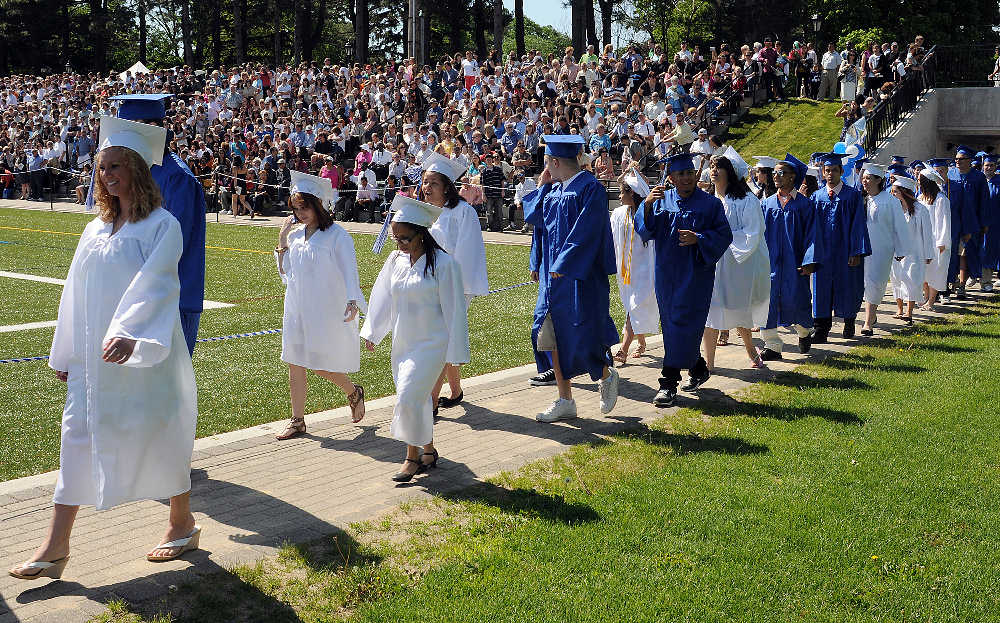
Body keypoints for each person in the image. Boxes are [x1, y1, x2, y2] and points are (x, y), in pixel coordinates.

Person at [9, 117, 200, 582]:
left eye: (116, 165)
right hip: (94, 360)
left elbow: (156, 285)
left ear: (136, 168)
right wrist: (66, 352)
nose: (107, 175)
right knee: (76, 435)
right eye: (101, 168)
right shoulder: (95, 230)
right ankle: (55, 546)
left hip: (144, 356)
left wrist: (132, 332)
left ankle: (182, 522)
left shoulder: (162, 226)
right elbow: (74, 291)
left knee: (161, 432)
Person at [360, 194, 470, 482]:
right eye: (396, 238)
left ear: (422, 234)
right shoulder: (396, 260)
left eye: (405, 239)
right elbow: (382, 295)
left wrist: (455, 351)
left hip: (432, 343)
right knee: (418, 399)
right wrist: (373, 331)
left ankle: (411, 457)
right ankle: (429, 451)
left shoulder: (444, 265)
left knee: (408, 396)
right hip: (403, 341)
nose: (400, 244)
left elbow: (455, 310)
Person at [522, 135, 621, 422]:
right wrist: (537, 261)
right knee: (548, 334)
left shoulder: (590, 189)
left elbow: (587, 232)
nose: (547, 169)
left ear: (554, 161)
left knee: (580, 333)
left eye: (547, 164)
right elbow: (537, 222)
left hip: (580, 277)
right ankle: (565, 400)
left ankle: (605, 374)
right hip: (551, 278)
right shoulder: (553, 190)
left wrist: (564, 262)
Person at [105, 94, 206, 355]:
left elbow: (170, 248)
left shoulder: (176, 178)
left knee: (165, 387)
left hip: (170, 298)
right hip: (129, 293)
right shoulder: (134, 172)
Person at [273, 171, 367, 440]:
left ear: (318, 204)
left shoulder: (337, 236)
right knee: (294, 361)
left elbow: (351, 271)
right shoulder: (295, 236)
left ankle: (352, 390)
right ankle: (298, 420)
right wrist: (282, 242)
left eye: (306, 207)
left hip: (324, 307)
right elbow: (285, 273)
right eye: (297, 208)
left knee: (317, 363)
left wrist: (353, 300)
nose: (301, 213)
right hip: (296, 307)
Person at [636, 152, 733, 406]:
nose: (687, 177)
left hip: (696, 276)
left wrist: (699, 238)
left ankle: (668, 383)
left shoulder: (710, 204)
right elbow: (646, 231)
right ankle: (698, 367)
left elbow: (724, 236)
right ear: (671, 178)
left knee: (684, 323)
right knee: (672, 325)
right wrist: (646, 205)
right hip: (667, 275)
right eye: (681, 174)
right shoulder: (659, 200)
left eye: (690, 173)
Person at [419, 151, 489, 412]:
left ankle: (430, 401)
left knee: (441, 341)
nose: (427, 187)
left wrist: (456, 290)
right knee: (444, 340)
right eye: (425, 181)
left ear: (447, 187)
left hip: (454, 286)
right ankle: (456, 391)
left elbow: (467, 254)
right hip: (426, 286)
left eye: (433, 183)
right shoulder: (423, 212)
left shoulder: (463, 212)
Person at [703, 154, 771, 370]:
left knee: (736, 308)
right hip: (711, 262)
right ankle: (709, 363)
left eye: (719, 167)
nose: (713, 170)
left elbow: (754, 232)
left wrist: (722, 239)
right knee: (710, 310)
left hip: (736, 264)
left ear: (730, 172)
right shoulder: (708, 201)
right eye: (712, 166)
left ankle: (750, 349)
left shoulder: (745, 200)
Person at [758, 158, 820, 360]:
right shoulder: (767, 204)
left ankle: (804, 332)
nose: (775, 176)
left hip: (796, 264)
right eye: (774, 173)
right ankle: (772, 345)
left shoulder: (805, 205)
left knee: (798, 300)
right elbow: (759, 236)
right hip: (770, 264)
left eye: (781, 173)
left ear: (793, 176)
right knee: (767, 302)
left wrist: (809, 261)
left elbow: (813, 235)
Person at [810, 152, 871, 342]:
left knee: (848, 286)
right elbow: (811, 227)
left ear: (841, 172)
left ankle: (849, 321)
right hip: (822, 252)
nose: (830, 174)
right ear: (823, 172)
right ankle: (821, 330)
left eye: (834, 170)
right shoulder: (816, 196)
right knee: (821, 288)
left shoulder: (852, 196)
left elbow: (858, 225)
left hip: (845, 251)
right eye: (827, 170)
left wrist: (856, 251)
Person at [610, 168, 658, 364]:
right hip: (625, 269)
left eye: (623, 192)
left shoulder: (647, 215)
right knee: (631, 305)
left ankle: (623, 348)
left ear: (633, 193)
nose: (620, 196)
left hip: (644, 268)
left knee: (635, 305)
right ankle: (642, 342)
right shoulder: (619, 213)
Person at [859, 163, 909, 336]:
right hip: (861, 247)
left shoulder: (891, 201)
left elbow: (900, 226)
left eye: (868, 178)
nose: (864, 181)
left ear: (879, 179)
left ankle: (868, 322)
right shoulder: (861, 199)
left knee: (875, 281)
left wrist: (901, 249)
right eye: (863, 178)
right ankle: (870, 316)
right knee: (864, 282)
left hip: (882, 247)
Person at [889, 176, 934, 323]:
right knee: (896, 279)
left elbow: (927, 233)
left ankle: (909, 312)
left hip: (915, 251)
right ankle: (900, 309)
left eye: (895, 192)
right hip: (896, 251)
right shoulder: (893, 208)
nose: (892, 194)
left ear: (904, 192)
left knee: (912, 280)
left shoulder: (921, 209)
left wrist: (928, 253)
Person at [949, 145, 989, 297]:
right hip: (952, 222)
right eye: (956, 159)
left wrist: (983, 223)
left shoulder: (978, 177)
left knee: (965, 254)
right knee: (952, 253)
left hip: (971, 222)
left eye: (961, 159)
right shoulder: (951, 174)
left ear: (969, 160)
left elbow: (984, 202)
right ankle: (951, 281)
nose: (957, 161)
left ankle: (962, 285)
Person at [917, 167, 951, 310]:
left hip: (937, 240)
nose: (917, 182)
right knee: (923, 271)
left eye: (919, 180)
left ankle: (931, 301)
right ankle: (925, 297)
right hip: (922, 240)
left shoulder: (941, 199)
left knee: (936, 271)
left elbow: (944, 221)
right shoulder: (919, 198)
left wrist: (942, 242)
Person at [980, 154, 1000, 291]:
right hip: (980, 223)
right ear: (983, 166)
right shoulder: (978, 180)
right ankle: (985, 281)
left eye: (992, 165)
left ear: (996, 167)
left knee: (995, 249)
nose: (989, 168)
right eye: (987, 165)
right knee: (983, 250)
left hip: (997, 223)